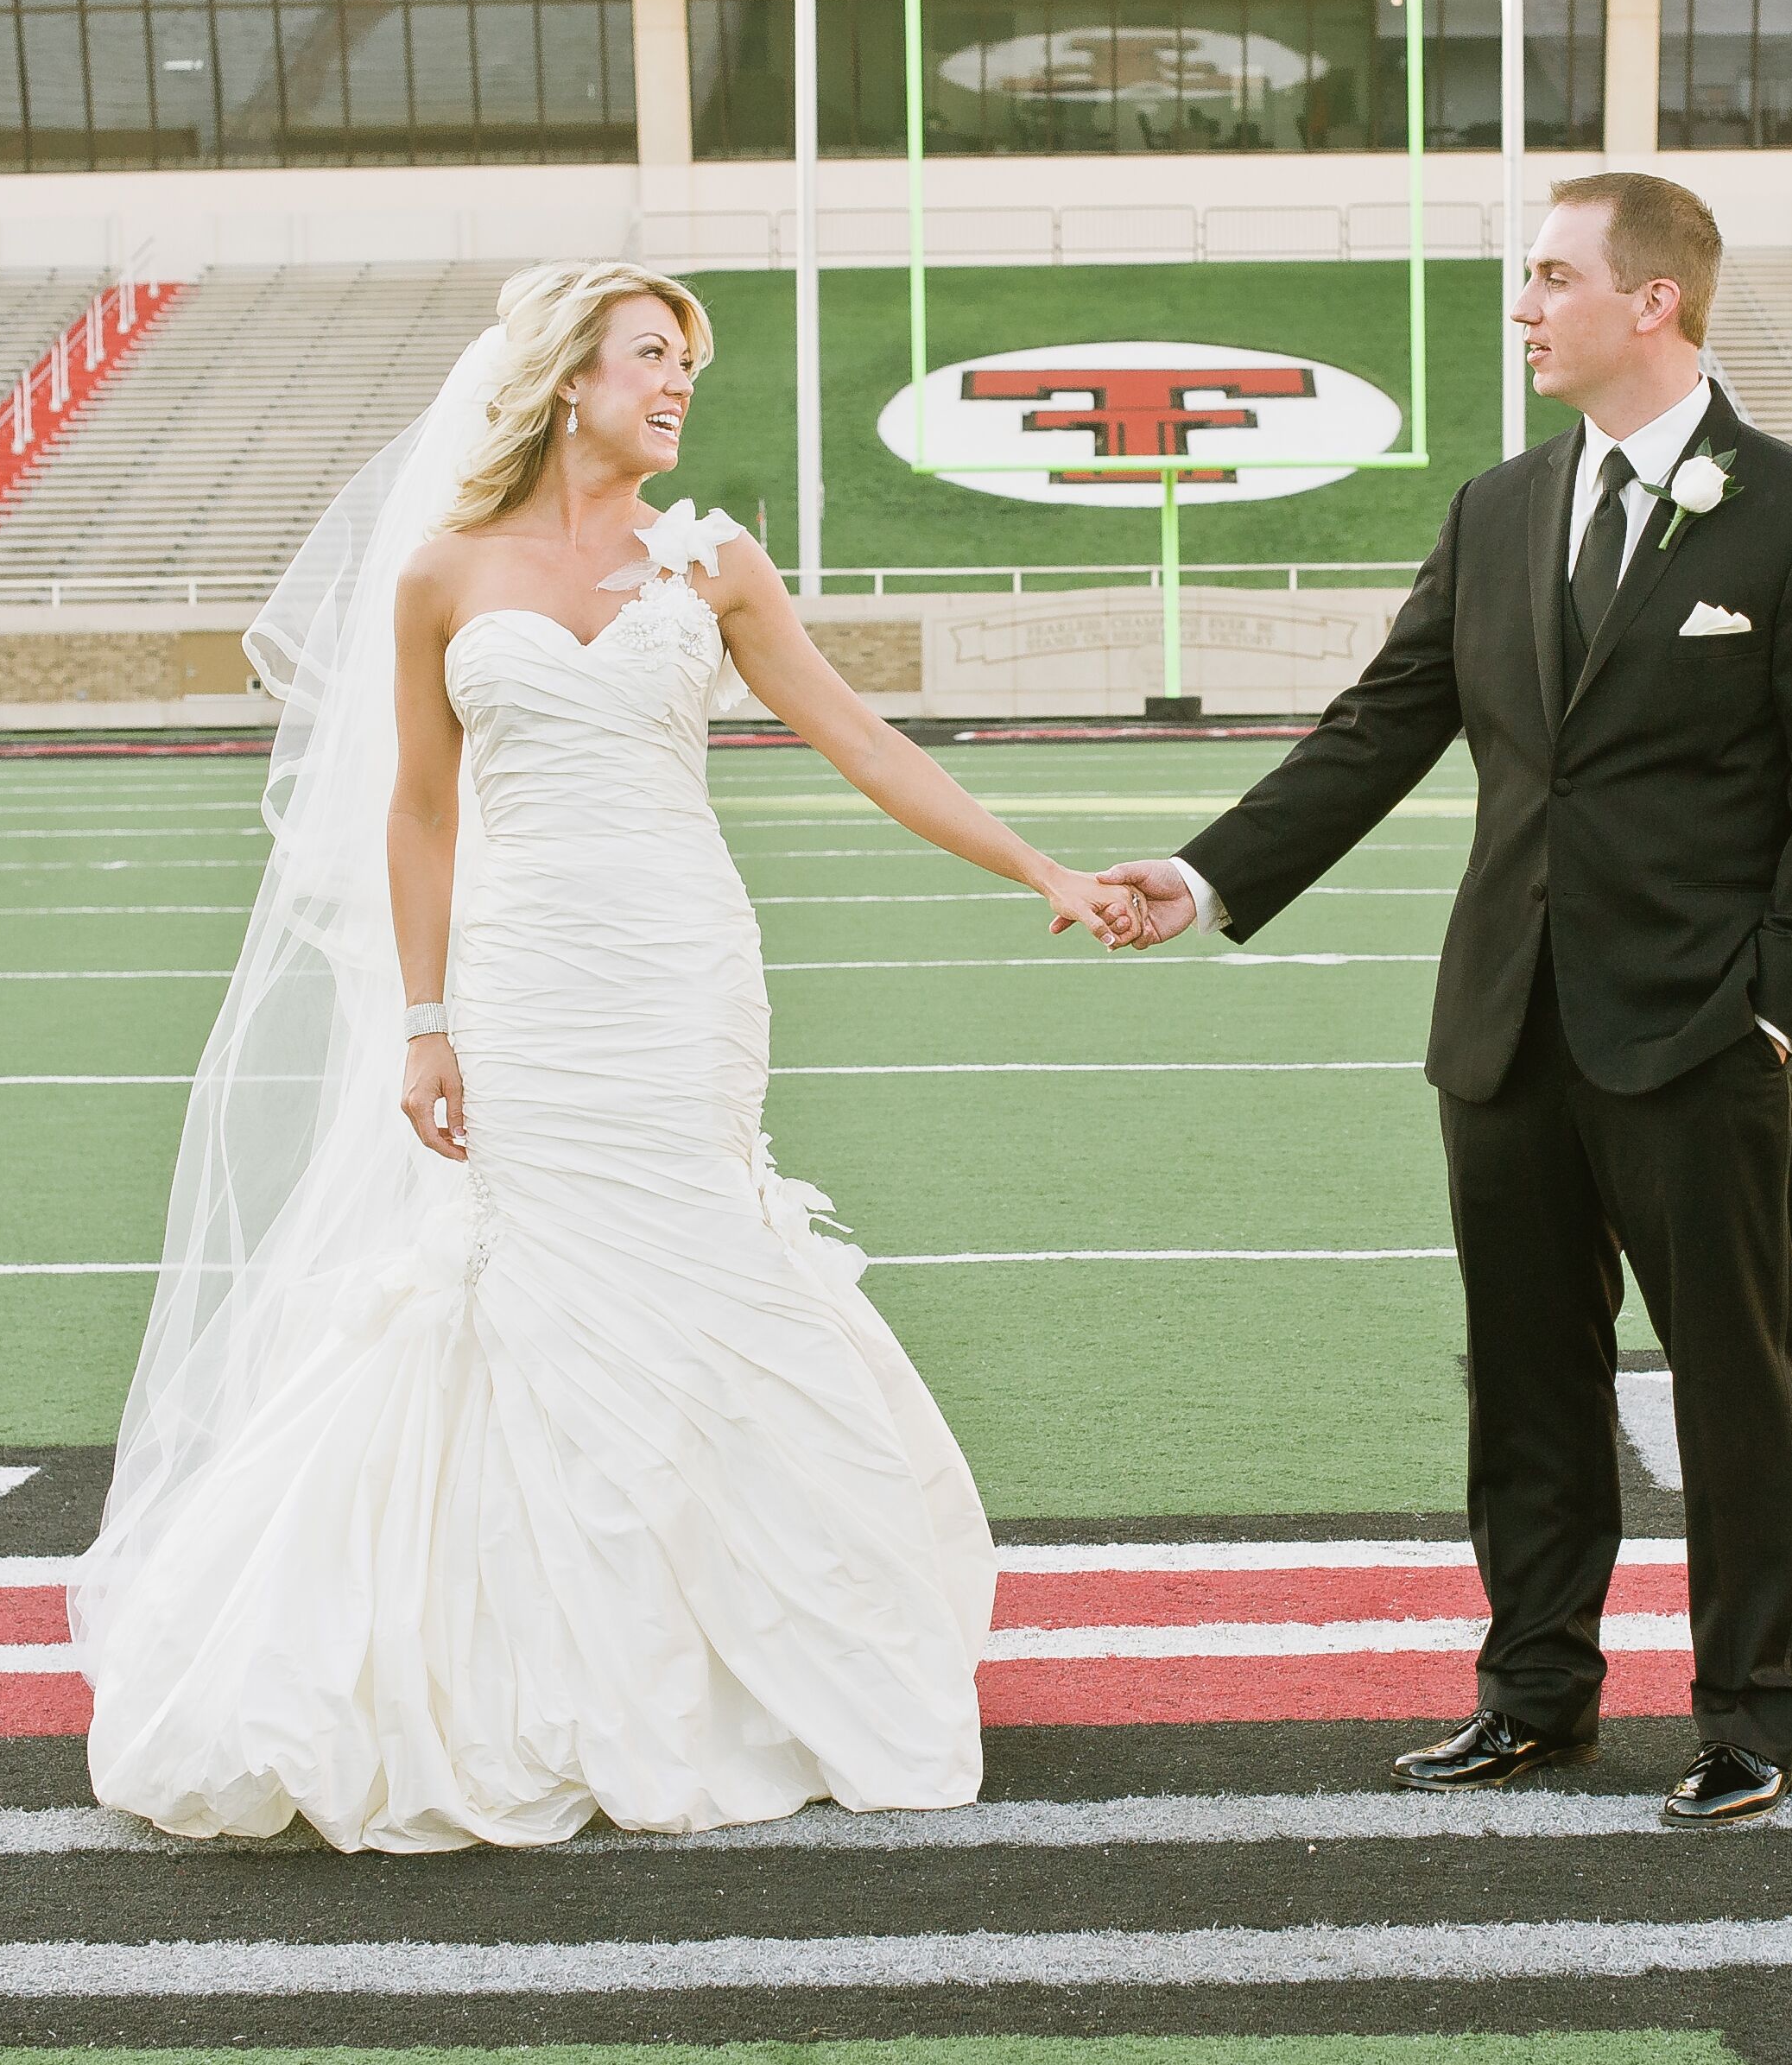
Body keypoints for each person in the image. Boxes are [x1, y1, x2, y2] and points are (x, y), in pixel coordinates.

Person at [74, 260, 1143, 1852]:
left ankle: (757, 1651)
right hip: (523, 985)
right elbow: (420, 809)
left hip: (680, 970)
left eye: (686, 368)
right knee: (527, 1284)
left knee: (704, 1259)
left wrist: (1045, 869)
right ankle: (524, 1669)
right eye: (653, 357)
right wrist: (425, 1019)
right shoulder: (442, 573)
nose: (677, 387)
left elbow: (860, 739)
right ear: (567, 377)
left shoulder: (713, 563)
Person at [1101, 174, 1792, 1827]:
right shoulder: (1497, 508)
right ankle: (1534, 1693)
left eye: (1550, 277)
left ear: (1655, 301)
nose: (1524, 306)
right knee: (1527, 1380)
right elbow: (1376, 729)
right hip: (1505, 1035)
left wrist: (1776, 1011)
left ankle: (1758, 1709)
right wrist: (1198, 879)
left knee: (1734, 1383)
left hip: (1697, 1038)